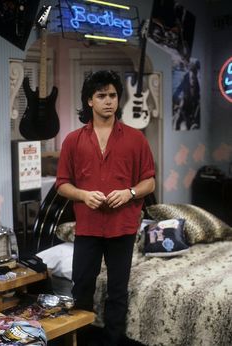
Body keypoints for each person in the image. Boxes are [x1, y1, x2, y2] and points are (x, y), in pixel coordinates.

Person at [56, 70, 155, 346]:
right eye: (101, 96)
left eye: (112, 95)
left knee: (118, 292)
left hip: (122, 227)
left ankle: (113, 342)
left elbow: (150, 182)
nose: (108, 101)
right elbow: (62, 184)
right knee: (82, 288)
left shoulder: (136, 139)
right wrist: (83, 195)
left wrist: (130, 192)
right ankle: (81, 340)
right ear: (89, 100)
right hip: (87, 227)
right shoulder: (73, 140)